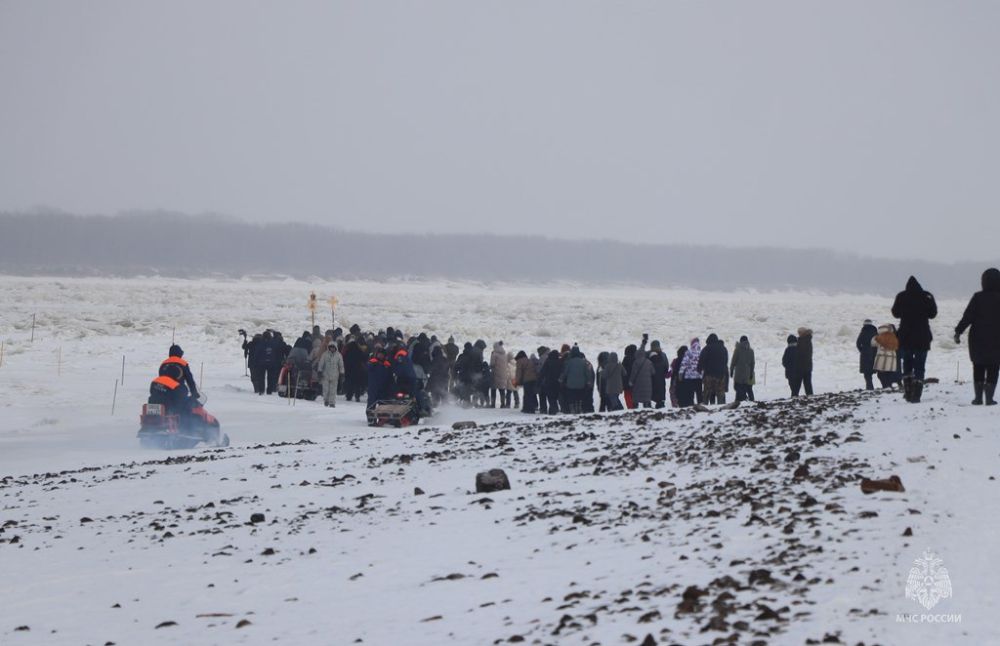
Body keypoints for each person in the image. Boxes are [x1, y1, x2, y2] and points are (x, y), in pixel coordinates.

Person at [955, 268, 1000, 406]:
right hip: (997, 339)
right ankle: (989, 398)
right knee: (993, 367)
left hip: (977, 338)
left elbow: (967, 317)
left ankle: (978, 398)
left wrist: (958, 331)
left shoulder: (977, 297)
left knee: (978, 366)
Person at [891, 276, 937, 402]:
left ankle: (908, 392)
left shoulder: (901, 296)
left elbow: (895, 313)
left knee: (907, 364)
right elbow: (933, 314)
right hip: (923, 337)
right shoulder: (926, 296)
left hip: (905, 336)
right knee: (920, 366)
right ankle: (916, 395)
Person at [698, 334, 728, 405]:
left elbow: (701, 360)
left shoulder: (707, 348)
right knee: (720, 393)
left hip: (709, 374)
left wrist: (699, 369)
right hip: (721, 375)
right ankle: (722, 409)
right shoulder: (723, 348)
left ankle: (704, 409)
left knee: (706, 393)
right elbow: (726, 361)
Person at [872, 323, 901, 389]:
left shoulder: (879, 337)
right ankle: (888, 386)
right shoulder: (893, 337)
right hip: (892, 359)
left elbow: (872, 343)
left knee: (881, 374)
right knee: (888, 374)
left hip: (882, 359)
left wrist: (875, 336)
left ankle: (886, 387)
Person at [316, 342, 345, 407]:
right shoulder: (325, 354)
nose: (332, 349)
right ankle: (326, 400)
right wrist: (319, 371)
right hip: (325, 375)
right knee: (325, 389)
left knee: (333, 390)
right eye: (331, 347)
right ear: (329, 347)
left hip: (335, 376)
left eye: (333, 347)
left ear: (335, 348)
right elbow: (321, 363)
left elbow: (341, 365)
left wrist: (342, 373)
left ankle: (332, 402)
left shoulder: (339, 355)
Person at [678, 338, 703, 407]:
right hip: (699, 376)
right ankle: (700, 404)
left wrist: (680, 373)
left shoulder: (688, 352)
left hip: (689, 376)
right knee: (699, 392)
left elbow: (684, 363)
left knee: (690, 393)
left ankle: (691, 405)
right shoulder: (701, 352)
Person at [730, 336, 755, 402]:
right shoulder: (751, 351)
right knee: (743, 388)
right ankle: (741, 400)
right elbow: (752, 363)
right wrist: (751, 373)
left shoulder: (737, 350)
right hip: (747, 373)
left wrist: (731, 370)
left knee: (737, 387)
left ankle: (740, 400)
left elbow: (733, 361)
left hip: (739, 373)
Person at [629, 342, 654, 409]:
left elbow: (633, 373)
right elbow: (653, 372)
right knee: (646, 398)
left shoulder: (635, 362)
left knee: (636, 398)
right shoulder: (649, 362)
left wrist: (631, 381)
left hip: (638, 384)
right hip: (647, 384)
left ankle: (635, 408)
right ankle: (647, 409)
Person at [856, 319, 879, 390]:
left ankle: (869, 386)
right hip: (874, 353)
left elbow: (858, 343)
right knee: (872, 370)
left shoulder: (863, 332)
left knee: (867, 373)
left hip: (865, 354)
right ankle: (885, 387)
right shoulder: (875, 332)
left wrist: (862, 350)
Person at [648, 340, 669, 409]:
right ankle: (660, 404)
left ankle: (648, 405)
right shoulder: (663, 355)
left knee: (651, 392)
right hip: (661, 377)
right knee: (660, 391)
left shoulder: (648, 354)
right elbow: (666, 366)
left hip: (651, 377)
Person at [490, 342, 511, 408]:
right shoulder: (505, 354)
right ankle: (503, 404)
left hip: (495, 373)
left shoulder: (494, 354)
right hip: (503, 374)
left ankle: (493, 404)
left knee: (493, 389)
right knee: (502, 389)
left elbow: (492, 364)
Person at [795, 328, 814, 396]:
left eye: (799, 332)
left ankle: (795, 396)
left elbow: (801, 353)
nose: (798, 334)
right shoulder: (808, 340)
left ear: (802, 333)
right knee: (807, 383)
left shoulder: (803, 341)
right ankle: (810, 396)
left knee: (797, 384)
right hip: (808, 366)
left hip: (802, 366)